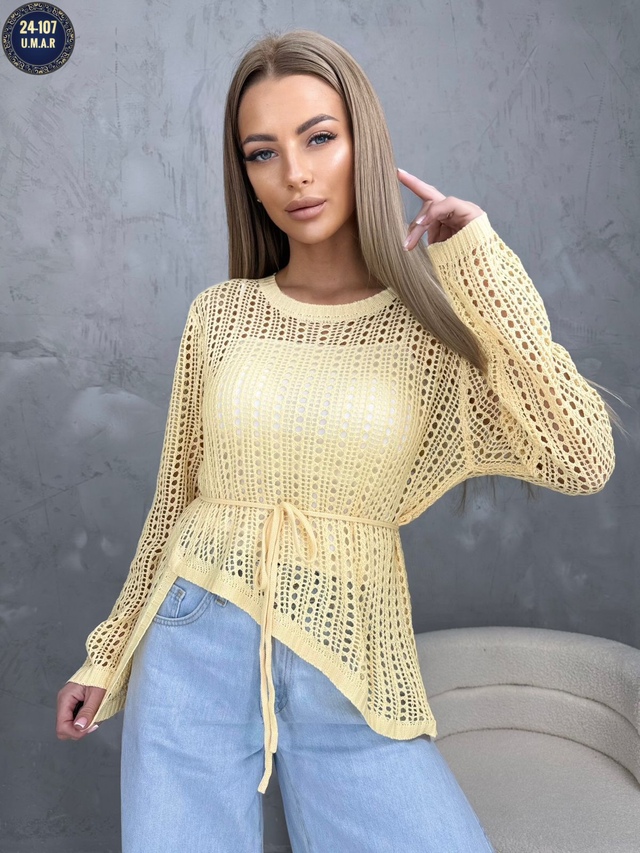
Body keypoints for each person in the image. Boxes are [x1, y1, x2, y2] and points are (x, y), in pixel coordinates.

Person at [56, 28, 617, 853]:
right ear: (246, 176)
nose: (295, 173)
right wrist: (108, 653)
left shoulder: (430, 333)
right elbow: (175, 501)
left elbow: (580, 455)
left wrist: (476, 260)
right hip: (194, 632)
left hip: (352, 653)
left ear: (365, 143)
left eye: (318, 137)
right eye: (262, 153)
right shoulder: (221, 315)